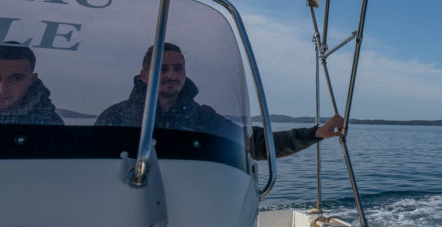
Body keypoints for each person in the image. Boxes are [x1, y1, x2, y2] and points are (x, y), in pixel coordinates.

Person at [95, 42, 342, 159]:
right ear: (144, 75)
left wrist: (316, 133)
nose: (171, 75)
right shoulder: (115, 117)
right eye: (162, 68)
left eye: (178, 68)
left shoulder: (202, 117)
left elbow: (253, 144)